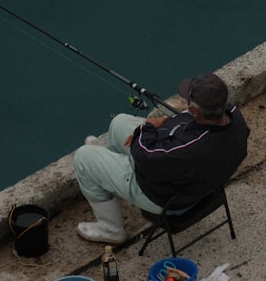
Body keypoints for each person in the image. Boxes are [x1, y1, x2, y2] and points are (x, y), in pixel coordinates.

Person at [72, 72, 250, 244]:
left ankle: (111, 229)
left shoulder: (190, 149)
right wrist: (163, 125)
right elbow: (180, 132)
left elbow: (145, 156)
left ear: (195, 111)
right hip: (199, 179)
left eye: (188, 102)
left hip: (162, 194)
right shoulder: (235, 118)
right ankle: (109, 169)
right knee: (119, 122)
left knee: (83, 157)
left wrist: (147, 128)